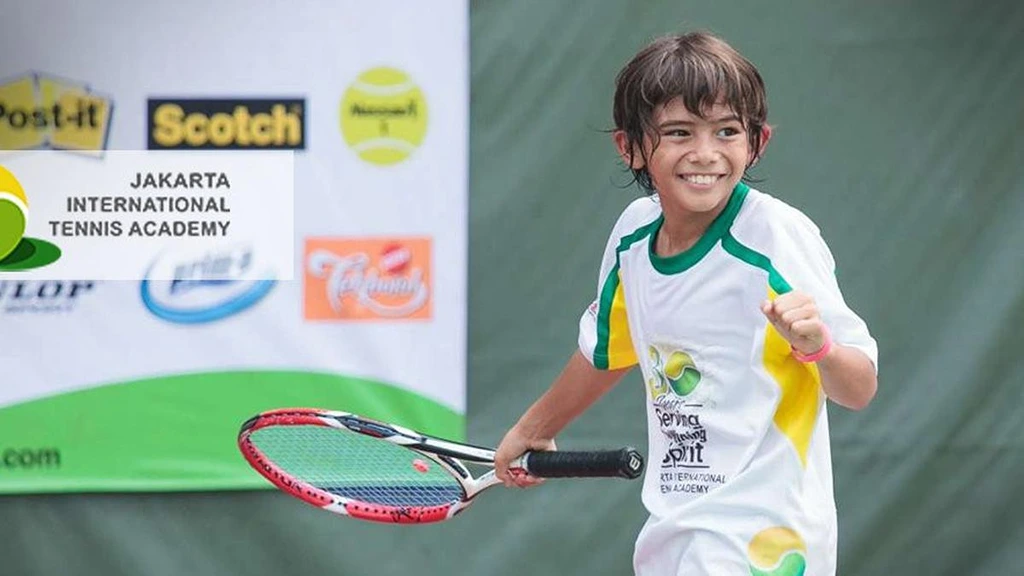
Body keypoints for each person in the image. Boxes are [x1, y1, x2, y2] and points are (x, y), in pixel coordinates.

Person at [493, 30, 879, 575]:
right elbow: (609, 351)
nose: (705, 154)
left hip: (765, 541)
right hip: (673, 531)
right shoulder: (633, 237)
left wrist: (818, 348)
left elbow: (858, 387)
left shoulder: (775, 237)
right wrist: (533, 428)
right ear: (629, 146)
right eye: (678, 132)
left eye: (727, 131)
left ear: (757, 142)